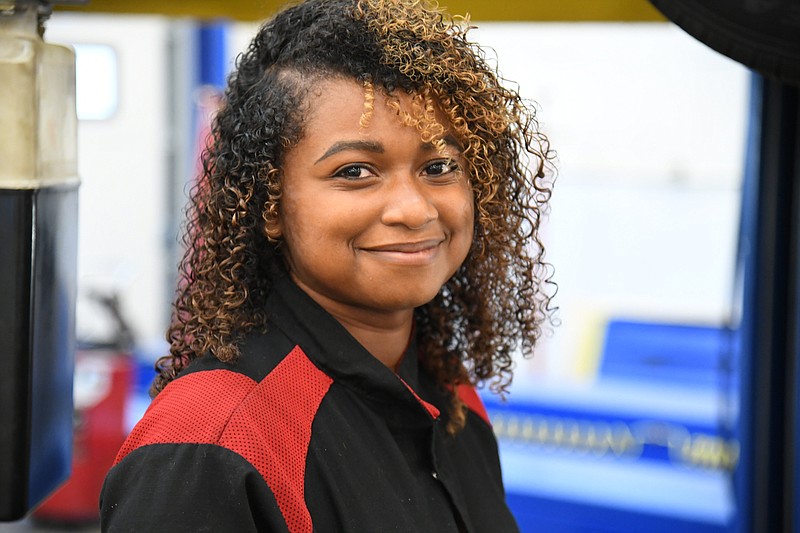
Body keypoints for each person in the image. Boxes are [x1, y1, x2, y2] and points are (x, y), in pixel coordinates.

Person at [100, 0, 555, 531]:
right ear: (268, 204)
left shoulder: (450, 399)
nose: (415, 209)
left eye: (438, 167)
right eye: (356, 171)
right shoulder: (211, 445)